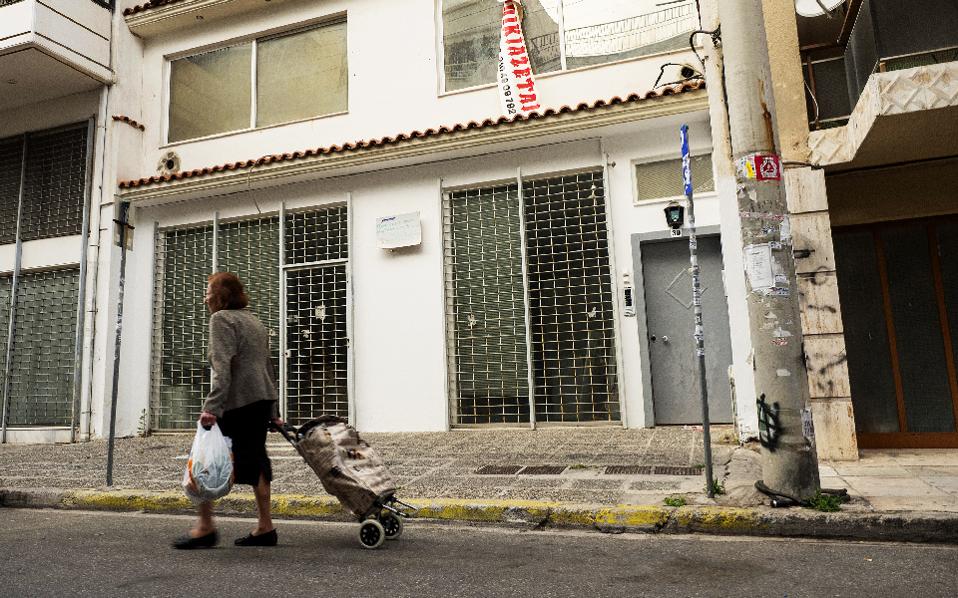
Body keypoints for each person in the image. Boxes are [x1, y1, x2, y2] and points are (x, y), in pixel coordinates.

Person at [173, 272, 283, 549]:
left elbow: (222, 368)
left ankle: (206, 527)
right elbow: (268, 368)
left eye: (208, 291)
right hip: (260, 400)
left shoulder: (221, 319)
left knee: (207, 460)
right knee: (257, 460)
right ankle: (265, 527)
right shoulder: (255, 321)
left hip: (236, 402)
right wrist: (273, 410)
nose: (204, 297)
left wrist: (212, 407)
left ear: (221, 296)